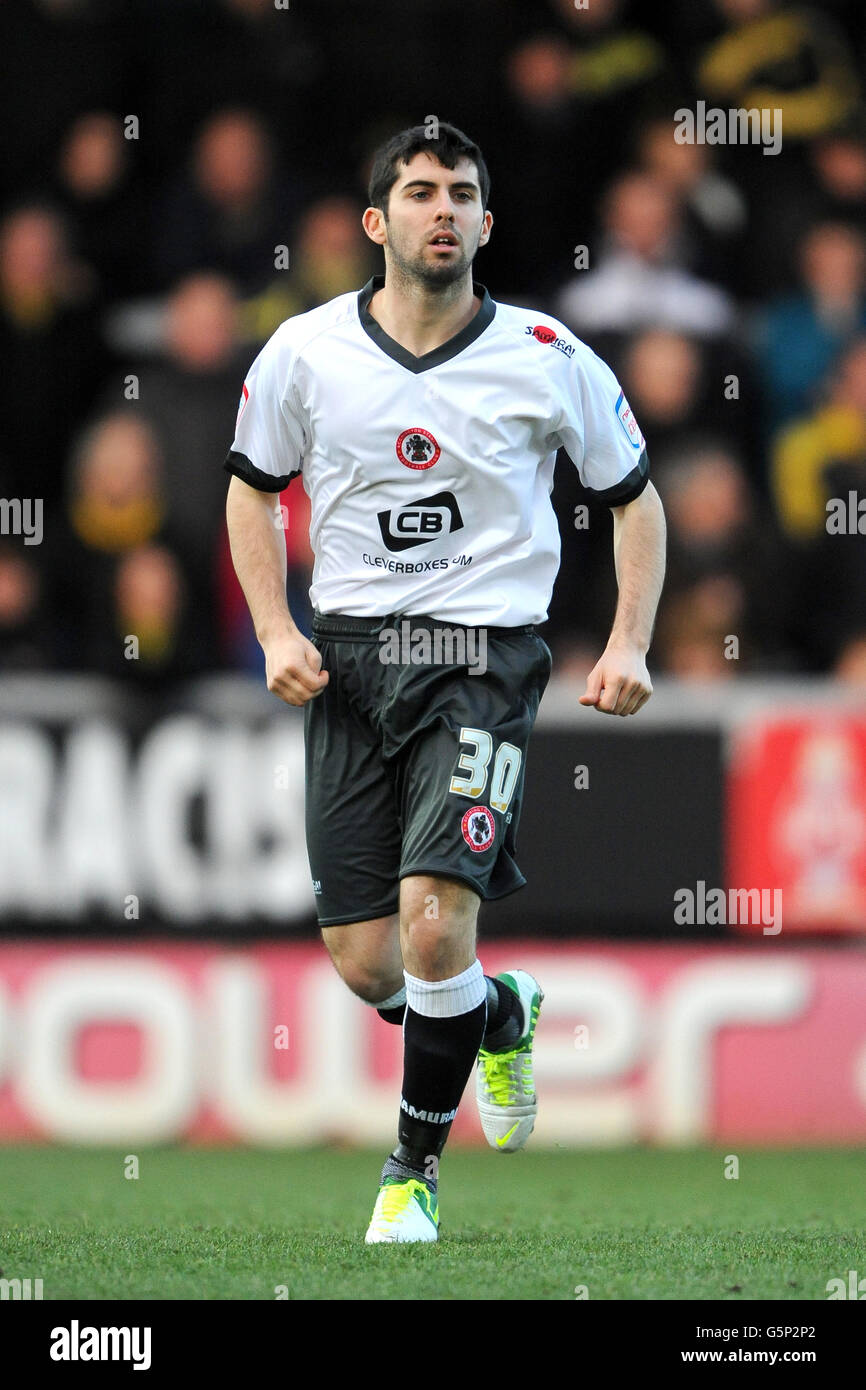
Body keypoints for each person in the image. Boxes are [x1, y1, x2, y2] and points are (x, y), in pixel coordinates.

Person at [223, 123, 666, 1243]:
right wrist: (274, 627)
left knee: (432, 929)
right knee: (366, 957)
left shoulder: (547, 353)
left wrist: (626, 641)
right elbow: (250, 489)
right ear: (376, 223)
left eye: (460, 194)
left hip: (479, 659)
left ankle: (410, 1171)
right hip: (350, 660)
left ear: (482, 223)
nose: (440, 210)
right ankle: (502, 1011)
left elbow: (632, 499)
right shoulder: (302, 353)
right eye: (417, 192)